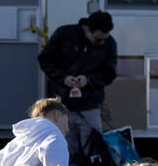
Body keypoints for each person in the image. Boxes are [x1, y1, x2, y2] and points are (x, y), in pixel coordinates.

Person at [38, 11, 117, 157]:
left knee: (94, 151)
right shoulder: (64, 35)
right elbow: (45, 59)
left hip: (90, 106)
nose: (102, 43)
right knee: (63, 151)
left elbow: (110, 73)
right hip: (61, 105)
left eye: (104, 39)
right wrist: (63, 78)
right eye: (98, 39)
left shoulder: (109, 43)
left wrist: (89, 80)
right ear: (87, 30)